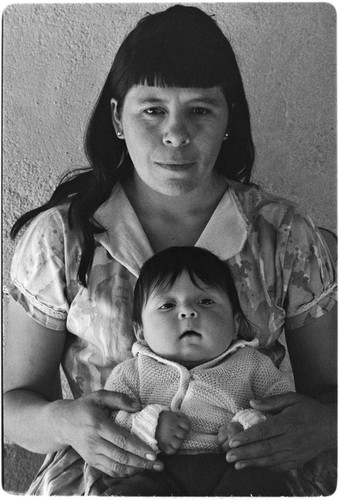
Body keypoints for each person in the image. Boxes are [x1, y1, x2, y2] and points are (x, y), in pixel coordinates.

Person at [4, 4, 336, 496]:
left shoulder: (283, 234)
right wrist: (65, 424)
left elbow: (328, 391)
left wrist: (327, 424)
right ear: (118, 117)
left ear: (229, 119)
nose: (176, 134)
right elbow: (12, 407)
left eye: (200, 110)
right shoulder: (62, 238)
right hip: (108, 482)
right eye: (153, 109)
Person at [81, 245, 294, 496]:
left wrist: (246, 429)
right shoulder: (131, 373)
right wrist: (151, 426)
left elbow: (283, 409)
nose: (187, 311)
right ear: (140, 331)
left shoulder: (253, 364)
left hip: (234, 467)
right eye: (167, 305)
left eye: (205, 301)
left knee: (264, 484)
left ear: (235, 324)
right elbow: (112, 422)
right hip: (153, 468)